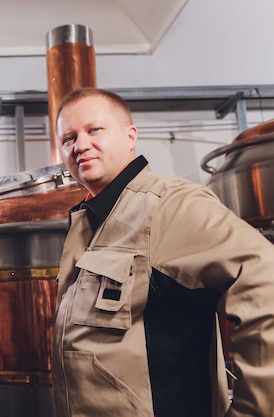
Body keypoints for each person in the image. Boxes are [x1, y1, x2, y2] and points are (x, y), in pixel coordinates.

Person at [51, 87, 274, 417]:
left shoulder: (170, 204)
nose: (80, 145)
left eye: (94, 129)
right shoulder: (90, 221)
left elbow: (266, 282)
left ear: (130, 136)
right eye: (69, 138)